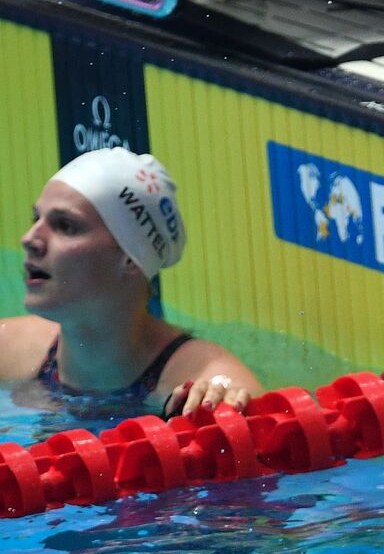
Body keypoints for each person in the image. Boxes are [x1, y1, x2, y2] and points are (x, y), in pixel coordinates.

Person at [0, 147, 260, 420]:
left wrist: (217, 419)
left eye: (66, 226)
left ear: (130, 258)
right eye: (36, 218)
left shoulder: (207, 384)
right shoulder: (9, 349)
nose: (29, 239)